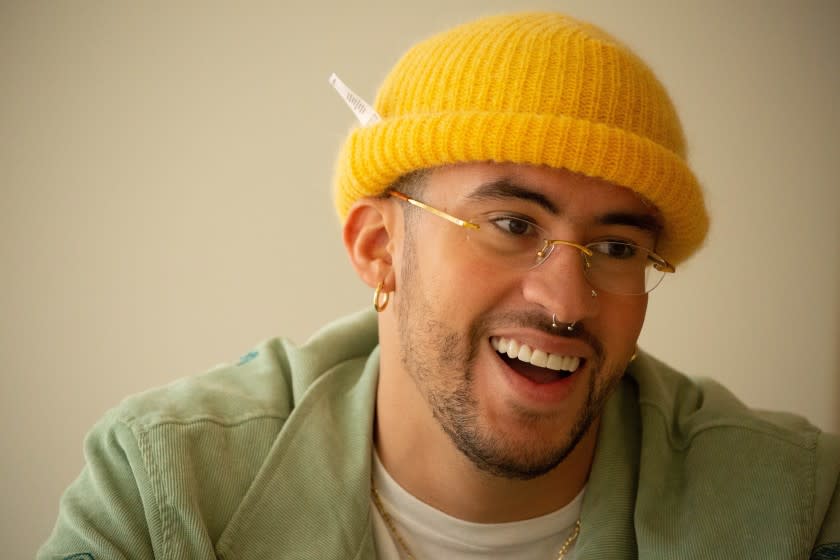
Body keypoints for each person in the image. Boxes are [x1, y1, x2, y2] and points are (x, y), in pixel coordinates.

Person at [39, 12, 839, 559]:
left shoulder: (793, 503)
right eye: (514, 225)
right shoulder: (166, 486)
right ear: (379, 246)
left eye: (617, 245)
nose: (566, 303)